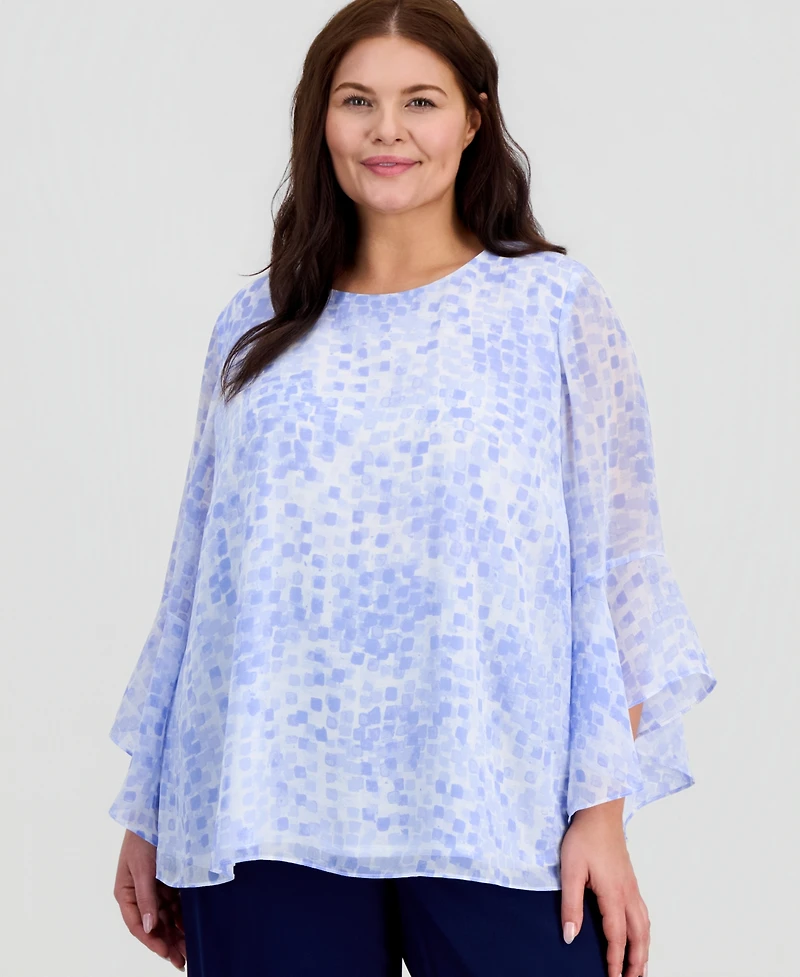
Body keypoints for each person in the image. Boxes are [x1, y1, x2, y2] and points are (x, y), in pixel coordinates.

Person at [109, 1, 717, 975]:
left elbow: (619, 568)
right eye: (357, 101)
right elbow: (198, 582)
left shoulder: (551, 309)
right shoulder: (253, 325)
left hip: (495, 803)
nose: (386, 130)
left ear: (473, 116)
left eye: (419, 101)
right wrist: (149, 808)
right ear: (319, 119)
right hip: (262, 806)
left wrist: (601, 811)